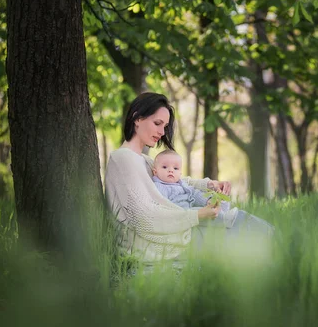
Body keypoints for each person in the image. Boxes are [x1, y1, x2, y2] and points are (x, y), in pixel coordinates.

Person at [105, 92, 273, 265]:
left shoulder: (144, 160)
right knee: (241, 226)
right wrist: (198, 215)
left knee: (240, 221)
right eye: (157, 123)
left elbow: (178, 180)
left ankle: (287, 252)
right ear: (137, 118)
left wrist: (209, 184)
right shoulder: (123, 159)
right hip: (155, 246)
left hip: (170, 236)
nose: (162, 132)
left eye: (165, 126)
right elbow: (145, 218)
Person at [152, 149, 239, 228]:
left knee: (199, 195)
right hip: (182, 214)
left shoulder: (182, 184)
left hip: (190, 205)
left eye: (175, 168)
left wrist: (208, 200)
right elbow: (163, 205)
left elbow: (193, 193)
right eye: (164, 167)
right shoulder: (159, 187)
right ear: (155, 172)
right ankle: (224, 219)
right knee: (200, 212)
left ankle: (220, 205)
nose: (171, 170)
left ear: (180, 173)